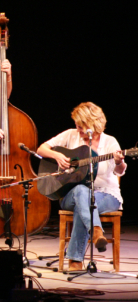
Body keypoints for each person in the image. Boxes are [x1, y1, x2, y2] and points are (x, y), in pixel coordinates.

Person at [37, 102, 126, 271]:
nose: (78, 131)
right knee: (81, 192)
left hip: (107, 195)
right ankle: (96, 230)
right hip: (72, 194)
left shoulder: (110, 142)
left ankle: (75, 260)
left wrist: (119, 161)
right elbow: (42, 149)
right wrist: (56, 155)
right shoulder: (70, 135)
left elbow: (120, 171)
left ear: (93, 125)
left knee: (83, 204)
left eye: (81, 127)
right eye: (77, 127)